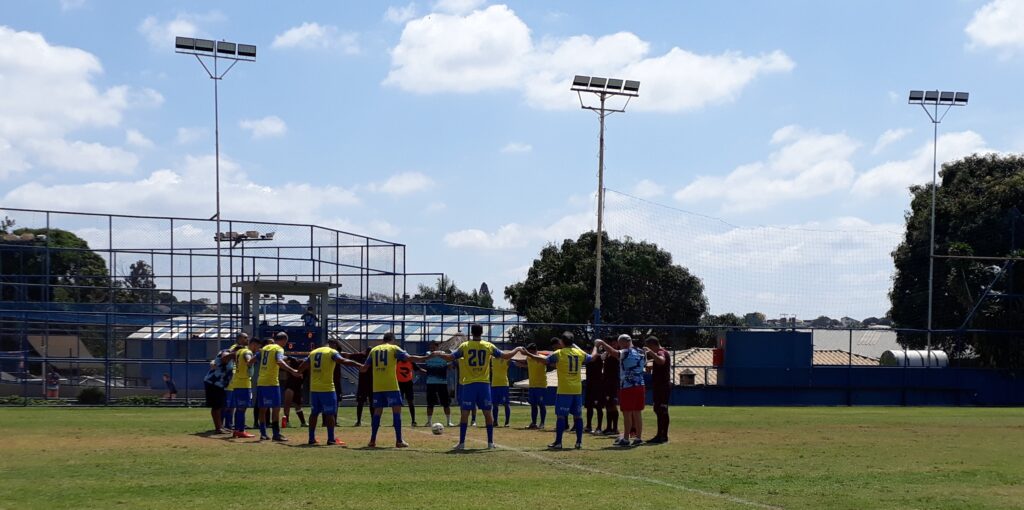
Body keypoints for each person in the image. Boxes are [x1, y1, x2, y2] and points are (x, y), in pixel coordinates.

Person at [431, 324, 522, 450]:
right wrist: (517, 349)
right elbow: (505, 356)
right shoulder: (488, 345)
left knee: (465, 414)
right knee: (487, 413)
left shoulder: (465, 346)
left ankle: (462, 443)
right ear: (482, 332)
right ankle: (490, 443)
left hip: (469, 384)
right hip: (484, 385)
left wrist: (438, 353)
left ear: (471, 333)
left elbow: (450, 357)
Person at [359, 333, 431, 448]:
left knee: (377, 412)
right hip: (391, 384)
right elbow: (409, 358)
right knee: (396, 411)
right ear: (392, 340)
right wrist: (426, 357)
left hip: (377, 386)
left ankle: (372, 440)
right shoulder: (394, 348)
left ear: (383, 340)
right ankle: (399, 441)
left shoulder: (374, 350)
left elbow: (364, 369)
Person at [522, 333, 591, 449]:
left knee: (561, 416)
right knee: (578, 416)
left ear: (562, 342)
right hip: (577, 390)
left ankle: (558, 442)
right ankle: (579, 442)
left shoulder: (559, 353)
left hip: (564, 390)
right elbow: (591, 357)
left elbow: (544, 360)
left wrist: (528, 354)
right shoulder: (579, 353)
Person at [299, 339, 361, 446]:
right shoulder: (331, 352)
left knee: (314, 413)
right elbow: (343, 361)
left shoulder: (313, 353)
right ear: (332, 345)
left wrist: (298, 372)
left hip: (314, 389)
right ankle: (331, 438)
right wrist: (360, 365)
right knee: (330, 413)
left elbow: (304, 364)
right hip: (327, 388)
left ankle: (311, 438)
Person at [595, 334, 646, 446]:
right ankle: (638, 438)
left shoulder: (626, 351)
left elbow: (614, 353)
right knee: (637, 413)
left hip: (628, 386)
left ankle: (626, 439)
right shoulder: (642, 352)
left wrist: (603, 343)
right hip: (640, 385)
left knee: (627, 413)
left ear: (622, 343)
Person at [255, 332, 303, 441]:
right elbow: (279, 361)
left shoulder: (265, 348)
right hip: (272, 382)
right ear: (284, 340)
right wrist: (292, 371)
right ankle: (276, 434)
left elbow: (253, 359)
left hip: (261, 381)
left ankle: (263, 433)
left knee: (262, 409)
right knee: (275, 409)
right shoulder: (279, 349)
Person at [204, 335, 239, 433]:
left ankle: (221, 426)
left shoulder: (232, 360)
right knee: (217, 406)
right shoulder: (226, 352)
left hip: (220, 385)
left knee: (221, 405)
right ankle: (218, 428)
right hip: (213, 382)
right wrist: (233, 355)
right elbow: (224, 358)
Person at [224, 336, 256, 439]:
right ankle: (240, 430)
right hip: (244, 383)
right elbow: (248, 360)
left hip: (237, 382)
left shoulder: (238, 351)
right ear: (253, 344)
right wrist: (252, 360)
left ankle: (237, 429)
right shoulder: (247, 351)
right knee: (242, 408)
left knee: (238, 408)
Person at [645, 336, 671, 444]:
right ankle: (661, 435)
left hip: (663, 387)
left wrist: (650, 352)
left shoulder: (661, 352)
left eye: (648, 347)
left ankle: (662, 436)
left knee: (662, 411)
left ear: (652, 345)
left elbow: (661, 361)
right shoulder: (661, 352)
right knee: (658, 410)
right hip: (659, 386)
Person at [517, 343, 548, 429]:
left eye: (529, 351)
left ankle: (542, 423)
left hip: (541, 385)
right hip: (532, 385)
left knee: (541, 404)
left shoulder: (542, 357)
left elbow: (544, 363)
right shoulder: (529, 358)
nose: (527, 353)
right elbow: (530, 366)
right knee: (533, 405)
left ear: (534, 350)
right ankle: (533, 423)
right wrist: (522, 365)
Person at [422, 341, 454, 427]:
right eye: (430, 346)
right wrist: (441, 354)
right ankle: (429, 422)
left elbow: (449, 365)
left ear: (437, 346)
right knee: (430, 404)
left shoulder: (443, 355)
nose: (431, 348)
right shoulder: (428, 353)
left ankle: (449, 422)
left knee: (446, 403)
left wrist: (450, 364)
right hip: (431, 382)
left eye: (433, 346)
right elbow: (430, 355)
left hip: (442, 382)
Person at [343, 347, 373, 426]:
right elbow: (348, 355)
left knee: (372, 403)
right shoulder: (361, 356)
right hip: (363, 384)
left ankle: (373, 421)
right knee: (360, 403)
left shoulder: (374, 358)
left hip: (371, 383)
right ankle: (358, 421)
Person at [598, 340, 620, 436]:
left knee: (613, 405)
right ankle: (608, 427)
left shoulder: (619, 354)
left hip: (614, 382)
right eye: (610, 343)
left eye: (613, 343)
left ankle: (615, 428)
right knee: (608, 405)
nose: (611, 345)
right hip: (606, 382)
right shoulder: (606, 354)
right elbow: (600, 357)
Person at [283, 356, 307, 428]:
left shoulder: (308, 369)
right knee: (287, 403)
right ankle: (286, 421)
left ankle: (303, 422)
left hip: (298, 387)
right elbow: (286, 357)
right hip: (290, 385)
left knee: (298, 405)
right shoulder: (296, 361)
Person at [490, 351, 512, 428]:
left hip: (504, 384)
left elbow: (510, 356)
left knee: (506, 404)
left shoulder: (505, 359)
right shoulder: (492, 359)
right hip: (494, 384)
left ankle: (507, 422)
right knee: (494, 404)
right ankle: (495, 421)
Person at [584, 351, 604, 434]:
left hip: (598, 386)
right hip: (589, 386)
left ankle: (599, 427)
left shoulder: (599, 358)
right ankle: (588, 426)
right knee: (589, 407)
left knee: (599, 407)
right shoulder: (588, 360)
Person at [396, 358, 419, 427]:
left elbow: (418, 369)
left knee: (410, 402)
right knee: (397, 403)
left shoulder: (411, 362)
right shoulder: (397, 362)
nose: (404, 358)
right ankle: (396, 421)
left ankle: (413, 421)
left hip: (408, 384)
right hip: (399, 384)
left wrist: (427, 371)